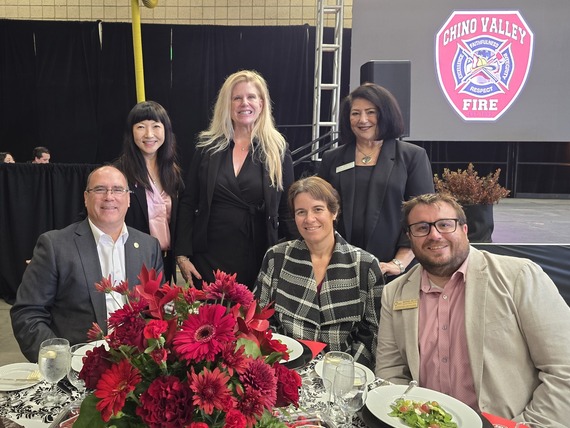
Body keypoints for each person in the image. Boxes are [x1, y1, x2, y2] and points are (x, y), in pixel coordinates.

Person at [375, 193, 570, 427]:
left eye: (445, 224)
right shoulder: (395, 293)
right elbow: (390, 372)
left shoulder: (519, 277)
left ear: (465, 229)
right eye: (422, 228)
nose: (434, 235)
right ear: (410, 237)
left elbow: (563, 370)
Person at [10, 165, 164, 362]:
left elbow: (157, 311)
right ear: (85, 197)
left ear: (128, 199)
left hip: (138, 366)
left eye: (118, 190)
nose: (109, 196)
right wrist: (60, 362)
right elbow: (28, 314)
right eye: (100, 189)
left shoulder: (148, 246)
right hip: (78, 367)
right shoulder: (55, 245)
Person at [176, 70, 295, 289]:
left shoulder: (277, 150)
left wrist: (295, 258)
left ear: (262, 103)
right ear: (227, 104)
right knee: (210, 321)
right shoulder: (207, 147)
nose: (244, 103)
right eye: (237, 98)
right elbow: (188, 201)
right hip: (209, 257)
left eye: (251, 97)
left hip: (258, 257)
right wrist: (182, 254)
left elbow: (287, 210)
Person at [256, 176, 383, 368]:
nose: (309, 219)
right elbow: (262, 318)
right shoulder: (276, 257)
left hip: (345, 376)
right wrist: (278, 358)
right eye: (301, 212)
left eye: (318, 209)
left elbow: (373, 332)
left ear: (334, 212)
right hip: (285, 367)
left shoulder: (365, 265)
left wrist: (345, 371)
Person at [319, 83, 434, 278]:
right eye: (355, 113)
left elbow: (424, 216)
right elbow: (321, 209)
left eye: (371, 112)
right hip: (339, 267)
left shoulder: (412, 157)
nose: (362, 120)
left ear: (386, 114)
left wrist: (399, 262)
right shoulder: (333, 158)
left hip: (393, 270)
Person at [115, 101, 183, 283]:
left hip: (166, 261)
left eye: (156, 126)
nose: (149, 134)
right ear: (131, 132)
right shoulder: (119, 172)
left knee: (163, 310)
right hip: (132, 260)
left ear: (166, 131)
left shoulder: (172, 172)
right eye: (141, 127)